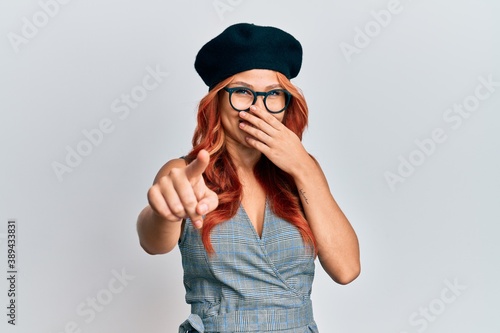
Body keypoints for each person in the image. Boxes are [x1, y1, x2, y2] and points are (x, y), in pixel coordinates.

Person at [136, 22, 360, 333]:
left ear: (287, 103)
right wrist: (164, 213)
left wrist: (304, 168)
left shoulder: (303, 172)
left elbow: (346, 269)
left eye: (273, 94)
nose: (258, 108)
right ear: (217, 100)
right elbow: (153, 240)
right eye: (242, 92)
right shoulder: (185, 172)